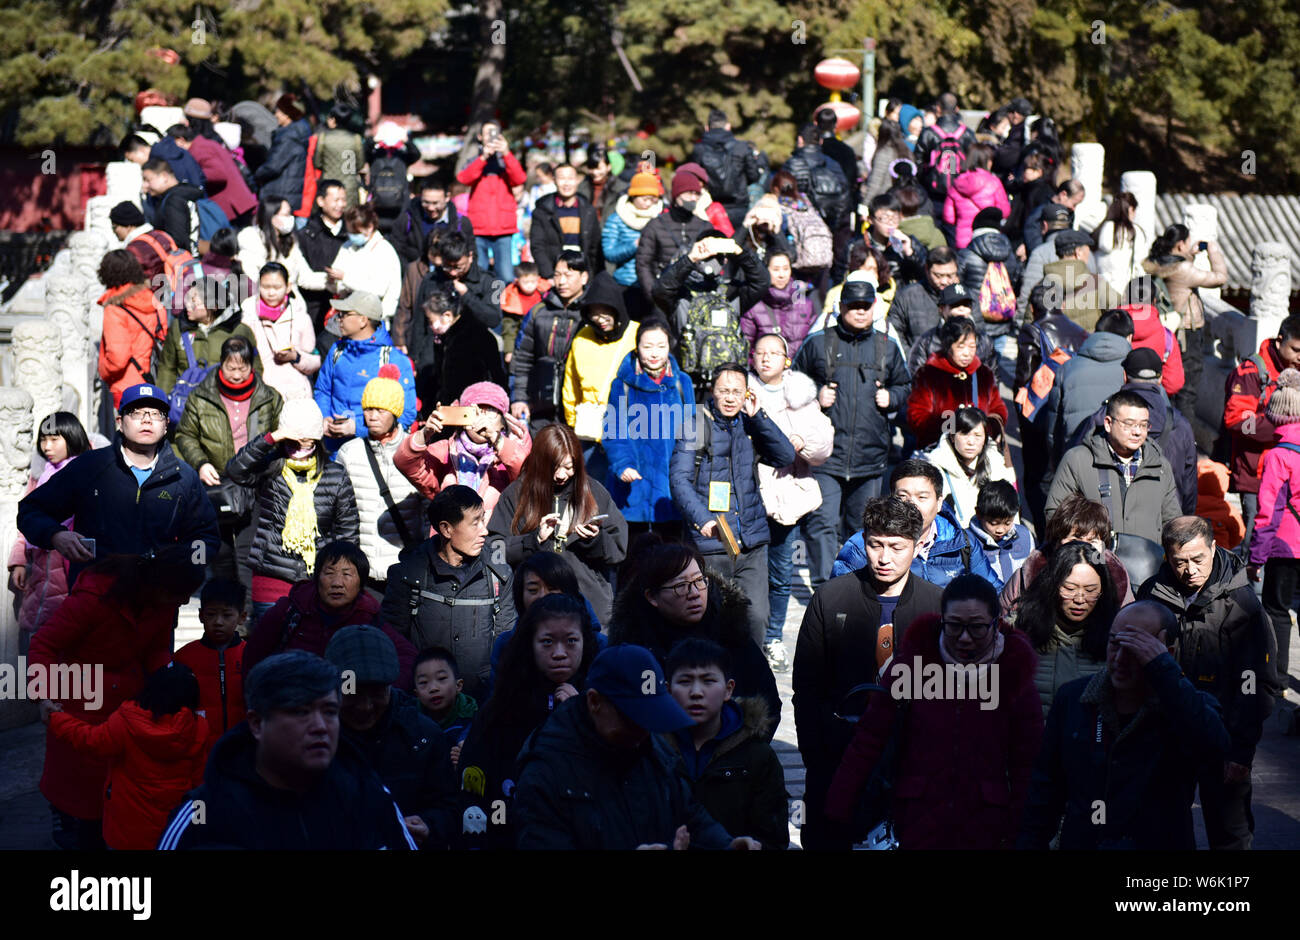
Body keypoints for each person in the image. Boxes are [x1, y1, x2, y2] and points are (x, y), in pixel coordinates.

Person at [825, 574, 1042, 848]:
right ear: (942, 620)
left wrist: (1019, 835)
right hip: (915, 819)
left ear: (996, 624)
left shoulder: (1014, 675)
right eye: (954, 626)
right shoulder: (913, 665)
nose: (964, 638)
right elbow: (870, 739)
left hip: (987, 826)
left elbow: (1028, 765)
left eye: (976, 627)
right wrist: (839, 808)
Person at [793, 496, 945, 850]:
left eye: (897, 547)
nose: (884, 557)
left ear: (917, 544)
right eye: (875, 544)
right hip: (838, 754)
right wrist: (815, 755)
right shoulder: (830, 599)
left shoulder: (937, 605)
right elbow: (807, 689)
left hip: (913, 760)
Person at [29, 548, 204, 849]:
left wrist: (173, 685)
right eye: (180, 594)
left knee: (113, 792)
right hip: (79, 697)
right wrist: (43, 696)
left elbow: (157, 650)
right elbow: (44, 643)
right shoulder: (94, 598)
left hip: (127, 699)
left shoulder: (162, 605)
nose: (185, 602)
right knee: (77, 786)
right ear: (157, 586)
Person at [1018, 602, 1231, 850]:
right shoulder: (1073, 699)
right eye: (1114, 644)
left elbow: (1216, 749)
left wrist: (1164, 671)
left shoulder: (1187, 706)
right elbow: (1045, 790)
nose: (1119, 659)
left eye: (1135, 649)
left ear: (1166, 653)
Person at [158, 650, 418, 849]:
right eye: (300, 712)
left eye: (329, 712)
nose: (320, 727)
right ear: (258, 723)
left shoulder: (368, 794)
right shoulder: (202, 813)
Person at [512, 644, 761, 850]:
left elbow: (690, 815)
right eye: (632, 718)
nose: (642, 731)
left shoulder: (653, 750)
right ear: (595, 702)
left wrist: (727, 845)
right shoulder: (545, 772)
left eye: (650, 718)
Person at [1137, 516, 1277, 850]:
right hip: (1167, 735)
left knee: (1230, 831)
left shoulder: (1242, 605)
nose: (1190, 570)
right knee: (1165, 828)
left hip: (1223, 736)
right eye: (1179, 562)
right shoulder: (1151, 594)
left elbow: (1256, 683)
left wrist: (1242, 750)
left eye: (1198, 559)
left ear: (1214, 547)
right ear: (1168, 557)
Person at [17, 384, 220, 587]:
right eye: (136, 413)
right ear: (120, 423)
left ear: (166, 424)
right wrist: (55, 535)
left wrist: (185, 569)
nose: (147, 419)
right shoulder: (90, 467)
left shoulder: (184, 478)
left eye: (156, 414)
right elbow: (31, 510)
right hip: (94, 596)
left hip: (157, 601)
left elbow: (205, 536)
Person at [668, 364, 796, 645]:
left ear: (746, 394)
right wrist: (703, 519)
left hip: (751, 542)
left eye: (736, 392)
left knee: (756, 617)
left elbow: (785, 455)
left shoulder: (750, 423)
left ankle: (753, 681)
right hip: (712, 544)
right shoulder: (697, 424)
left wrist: (759, 416)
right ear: (712, 392)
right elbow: (679, 479)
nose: (729, 398)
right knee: (711, 622)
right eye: (723, 391)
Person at [458, 594, 598, 848]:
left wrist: (580, 717)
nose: (559, 653)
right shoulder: (502, 708)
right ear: (529, 645)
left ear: (585, 643)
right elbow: (474, 789)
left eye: (571, 641)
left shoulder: (601, 705)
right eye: (547, 642)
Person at [795, 280, 909, 586]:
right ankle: (824, 587)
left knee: (864, 529)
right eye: (853, 306)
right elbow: (793, 382)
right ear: (840, 307)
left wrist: (892, 398)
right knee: (822, 525)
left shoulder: (887, 344)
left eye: (865, 306)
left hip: (870, 455)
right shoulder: (818, 342)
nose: (860, 312)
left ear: (874, 307)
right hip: (826, 456)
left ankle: (855, 587)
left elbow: (905, 385)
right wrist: (815, 395)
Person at [45, 662, 208, 850]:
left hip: (127, 831)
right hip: (172, 833)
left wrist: (56, 718)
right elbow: (199, 784)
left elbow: (90, 740)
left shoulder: (127, 722)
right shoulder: (199, 728)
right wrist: (199, 826)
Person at [323, 624, 459, 850]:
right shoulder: (314, 738)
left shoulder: (423, 736)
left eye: (376, 693)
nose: (365, 707)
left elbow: (451, 808)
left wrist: (429, 825)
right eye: (354, 694)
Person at [225, 399, 360, 617]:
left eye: (306, 442)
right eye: (293, 441)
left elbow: (348, 533)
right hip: (270, 575)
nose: (299, 449)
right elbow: (236, 470)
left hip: (317, 580)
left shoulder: (336, 475)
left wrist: (342, 578)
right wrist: (271, 438)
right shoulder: (271, 466)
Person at [379, 485, 512, 703]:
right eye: (475, 523)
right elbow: (393, 648)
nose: (485, 531)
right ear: (446, 529)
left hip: (481, 705)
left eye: (483, 520)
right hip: (421, 708)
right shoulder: (408, 575)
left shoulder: (499, 576)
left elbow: (506, 649)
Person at [748, 333, 833, 667]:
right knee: (748, 573)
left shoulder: (801, 394)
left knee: (781, 574)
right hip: (749, 494)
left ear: (786, 359)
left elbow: (824, 440)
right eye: (761, 352)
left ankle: (772, 638)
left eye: (775, 353)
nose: (767, 358)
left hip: (788, 495)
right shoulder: (741, 389)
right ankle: (746, 637)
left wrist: (804, 440)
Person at [488, 423, 628, 625]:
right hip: (533, 613)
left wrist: (595, 540)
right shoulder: (516, 495)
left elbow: (619, 548)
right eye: (554, 468)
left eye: (569, 467)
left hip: (591, 613)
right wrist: (532, 541)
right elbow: (493, 551)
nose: (561, 475)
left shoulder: (594, 492)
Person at [174, 335, 284, 583]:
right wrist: (201, 463)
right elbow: (185, 434)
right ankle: (223, 608)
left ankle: (244, 617)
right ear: (221, 364)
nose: (236, 375)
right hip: (216, 484)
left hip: (255, 485)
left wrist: (267, 468)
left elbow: (280, 438)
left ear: (251, 366)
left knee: (247, 554)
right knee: (220, 552)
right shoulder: (201, 397)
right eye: (230, 368)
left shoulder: (269, 398)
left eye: (242, 368)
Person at [665, 637, 790, 849]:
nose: (696, 692)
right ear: (668, 689)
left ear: (728, 689)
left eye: (708, 681)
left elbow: (774, 837)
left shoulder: (757, 756)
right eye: (685, 681)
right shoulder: (650, 749)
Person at [244, 538, 415, 678]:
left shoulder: (370, 619)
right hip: (294, 702)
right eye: (329, 573)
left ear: (361, 583)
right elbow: (253, 659)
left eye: (347, 574)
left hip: (348, 702)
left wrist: (380, 693)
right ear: (317, 578)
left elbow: (408, 657)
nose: (337, 583)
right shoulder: (289, 611)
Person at [1070, 347, 1198, 514]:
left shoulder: (1102, 418)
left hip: (1108, 521)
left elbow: (1075, 470)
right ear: (1160, 379)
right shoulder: (1180, 424)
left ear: (1124, 376)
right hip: (1164, 523)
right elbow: (1189, 487)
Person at [831, 460, 999, 588]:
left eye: (922, 497)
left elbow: (993, 594)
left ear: (939, 502)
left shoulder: (963, 543)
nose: (912, 505)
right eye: (903, 496)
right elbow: (839, 602)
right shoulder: (862, 546)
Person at [1046, 390, 1182, 544]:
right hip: (1093, 562)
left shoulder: (1160, 466)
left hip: (1148, 564)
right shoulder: (1078, 460)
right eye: (1129, 424)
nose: (1137, 432)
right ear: (1108, 423)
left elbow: (1172, 522)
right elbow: (1055, 515)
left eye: (1143, 425)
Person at [7, 414, 95, 649]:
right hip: (39, 569)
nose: (47, 447)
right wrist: (18, 561)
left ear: (72, 437)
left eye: (55, 439)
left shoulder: (90, 472)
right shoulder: (39, 476)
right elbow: (25, 520)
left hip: (70, 564)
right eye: (43, 439)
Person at [601, 318, 696, 537]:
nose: (654, 353)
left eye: (661, 346)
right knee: (634, 558)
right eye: (647, 346)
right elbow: (613, 430)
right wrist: (623, 464)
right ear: (637, 347)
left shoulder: (683, 382)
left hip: (672, 488)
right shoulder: (622, 384)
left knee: (672, 557)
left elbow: (693, 432)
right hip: (634, 486)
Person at [336, 373, 427, 587]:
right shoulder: (349, 454)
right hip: (362, 570)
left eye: (380, 410)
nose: (373, 416)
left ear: (395, 413)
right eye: (368, 409)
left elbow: (427, 510)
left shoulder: (415, 452)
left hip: (405, 567)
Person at [396, 380, 530, 519]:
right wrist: (424, 434)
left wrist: (495, 438)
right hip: (449, 537)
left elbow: (526, 477)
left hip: (495, 539)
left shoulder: (513, 450)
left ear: (503, 422)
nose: (482, 418)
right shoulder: (447, 450)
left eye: (490, 412)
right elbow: (404, 462)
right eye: (475, 411)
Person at [1016, 541, 1118, 715]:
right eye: (1069, 589)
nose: (1079, 599)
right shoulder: (1020, 632)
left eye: (1090, 590)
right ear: (1052, 585)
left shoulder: (1115, 639)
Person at [1226, 315, 1300, 553]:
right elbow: (1238, 420)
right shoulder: (1251, 372)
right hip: (1257, 476)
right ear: (1280, 341)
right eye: (1296, 350)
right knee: (1256, 545)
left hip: (1293, 476)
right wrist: (1284, 427)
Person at [314, 291, 417, 453]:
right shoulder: (337, 351)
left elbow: (406, 413)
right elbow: (322, 390)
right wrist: (324, 417)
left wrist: (358, 427)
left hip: (372, 452)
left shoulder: (394, 359)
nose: (338, 318)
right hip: (333, 450)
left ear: (363, 320)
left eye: (345, 314)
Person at [999, 492, 1134, 615]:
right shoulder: (1030, 573)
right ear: (1057, 541)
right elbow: (1003, 621)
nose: (1083, 547)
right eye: (1075, 540)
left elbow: (1128, 623)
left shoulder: (1117, 576)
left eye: (1091, 541)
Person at [1143, 223, 1227, 417]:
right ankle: (1183, 437)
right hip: (1186, 332)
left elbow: (1180, 270)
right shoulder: (1182, 269)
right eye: (1187, 244)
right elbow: (1220, 277)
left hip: (1164, 328)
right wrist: (1212, 250)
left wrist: (1190, 255)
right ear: (1180, 245)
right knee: (1187, 388)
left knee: (1167, 381)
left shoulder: (1156, 262)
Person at [1251, 367, 1300, 687]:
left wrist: (1256, 558)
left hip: (1285, 547)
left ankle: (1278, 679)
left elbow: (1268, 513)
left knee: (1277, 610)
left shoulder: (1279, 456)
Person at [562, 270, 637, 478]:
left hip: (628, 430)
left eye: (605, 311)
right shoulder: (581, 339)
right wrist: (573, 423)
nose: (599, 319)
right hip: (590, 432)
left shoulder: (636, 335)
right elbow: (571, 387)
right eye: (593, 312)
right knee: (593, 493)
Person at [509, 251, 589, 431]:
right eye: (557, 275)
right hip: (540, 403)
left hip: (578, 407)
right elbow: (522, 358)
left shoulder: (591, 314)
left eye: (568, 275)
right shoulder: (538, 312)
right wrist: (519, 397)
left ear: (584, 277)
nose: (561, 282)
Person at [1043, 306, 1134, 463]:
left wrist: (1058, 463)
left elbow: (1053, 428)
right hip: (1122, 460)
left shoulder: (1067, 368)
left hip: (1076, 459)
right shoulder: (1132, 371)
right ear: (1129, 337)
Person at [906, 316, 1006, 451]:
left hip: (978, 452)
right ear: (948, 346)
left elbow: (997, 408)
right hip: (940, 451)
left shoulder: (983, 374)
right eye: (961, 346)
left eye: (972, 347)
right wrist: (954, 429)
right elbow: (916, 416)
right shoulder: (928, 375)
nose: (967, 353)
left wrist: (988, 429)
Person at [173, 579, 247, 757]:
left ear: (242, 617)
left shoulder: (250, 655)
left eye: (227, 615)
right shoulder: (183, 657)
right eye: (211, 614)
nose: (218, 622)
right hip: (197, 752)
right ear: (200, 615)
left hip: (242, 748)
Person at [155, 275, 261, 396]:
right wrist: (161, 403)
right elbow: (167, 368)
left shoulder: (240, 331)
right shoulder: (178, 328)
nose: (188, 305)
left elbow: (254, 368)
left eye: (194, 301)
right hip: (187, 404)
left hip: (227, 401)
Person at [409, 285, 507, 412]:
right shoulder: (442, 338)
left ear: (447, 316)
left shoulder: (477, 337)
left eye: (430, 320)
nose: (430, 325)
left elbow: (496, 376)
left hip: (474, 410)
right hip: (449, 410)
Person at [919, 405, 1016, 530]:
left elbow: (1011, 511)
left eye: (977, 435)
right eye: (965, 434)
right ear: (953, 437)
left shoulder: (996, 464)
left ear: (985, 438)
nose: (971, 442)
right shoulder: (934, 468)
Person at [96, 248, 168, 409]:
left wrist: (103, 370)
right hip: (154, 380)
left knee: (127, 432)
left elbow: (118, 357)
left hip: (126, 386)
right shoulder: (153, 299)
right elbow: (163, 333)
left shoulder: (115, 309)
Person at [457, 121, 527, 281]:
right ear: (480, 137)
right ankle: (482, 305)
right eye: (487, 133)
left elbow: (519, 178)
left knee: (505, 275)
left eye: (494, 132)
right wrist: (483, 158)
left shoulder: (507, 160)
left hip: (503, 228)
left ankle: (500, 305)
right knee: (478, 274)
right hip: (478, 228)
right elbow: (464, 178)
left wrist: (507, 153)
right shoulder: (474, 160)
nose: (491, 136)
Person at [241, 261, 320, 401]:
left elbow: (314, 360)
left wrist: (295, 357)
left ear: (288, 287)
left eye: (277, 287)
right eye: (265, 287)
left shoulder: (300, 316)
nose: (271, 293)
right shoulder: (248, 316)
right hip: (260, 393)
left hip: (295, 395)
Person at [634, 167, 713, 303]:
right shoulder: (656, 225)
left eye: (696, 194)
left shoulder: (705, 226)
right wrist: (653, 294)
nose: (693, 198)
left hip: (697, 297)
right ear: (677, 195)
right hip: (663, 294)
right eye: (688, 193)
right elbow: (643, 264)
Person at [325, 205, 404, 325]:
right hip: (347, 315)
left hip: (373, 319)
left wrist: (345, 278)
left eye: (356, 232)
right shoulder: (347, 246)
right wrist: (332, 281)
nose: (352, 236)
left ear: (369, 227)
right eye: (350, 232)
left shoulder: (384, 251)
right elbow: (337, 286)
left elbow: (378, 290)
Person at [168, 122, 257, 226]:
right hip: (237, 204)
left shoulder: (199, 149)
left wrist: (190, 175)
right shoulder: (206, 144)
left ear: (180, 140)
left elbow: (218, 174)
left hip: (232, 206)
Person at [690, 108, 763, 231]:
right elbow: (754, 176)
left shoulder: (699, 150)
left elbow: (693, 178)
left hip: (709, 206)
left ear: (707, 128)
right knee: (739, 246)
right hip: (738, 205)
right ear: (728, 126)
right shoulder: (742, 147)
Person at [740, 250, 821, 358]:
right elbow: (746, 349)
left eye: (786, 269)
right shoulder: (754, 306)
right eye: (776, 269)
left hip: (798, 371)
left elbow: (814, 343)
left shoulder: (805, 304)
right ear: (765, 270)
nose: (781, 275)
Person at [295, 179, 349, 339]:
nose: (341, 205)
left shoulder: (351, 233)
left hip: (343, 305)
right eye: (336, 200)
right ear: (320, 201)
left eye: (343, 200)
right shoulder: (306, 235)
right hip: (313, 306)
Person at [904, 282, 995, 377]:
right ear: (941, 309)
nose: (961, 309)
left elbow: (992, 379)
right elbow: (916, 377)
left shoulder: (984, 340)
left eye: (966, 304)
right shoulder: (927, 341)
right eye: (955, 305)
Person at [1040, 229, 1122, 333]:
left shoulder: (1041, 287)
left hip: (1055, 348)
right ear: (1078, 252)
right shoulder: (1096, 283)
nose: (1089, 254)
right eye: (1087, 249)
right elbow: (1121, 312)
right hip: (1089, 346)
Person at [530, 164, 605, 278]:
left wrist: (592, 275)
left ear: (577, 180)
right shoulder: (543, 210)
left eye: (570, 178)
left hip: (582, 274)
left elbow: (594, 247)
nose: (566, 183)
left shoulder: (588, 210)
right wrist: (550, 275)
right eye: (562, 178)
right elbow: (538, 246)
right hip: (554, 274)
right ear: (554, 180)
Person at [602, 171, 665, 307]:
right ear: (633, 196)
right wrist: (634, 245)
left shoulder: (661, 218)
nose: (648, 203)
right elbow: (609, 253)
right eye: (644, 198)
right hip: (625, 283)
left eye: (652, 199)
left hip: (654, 282)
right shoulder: (617, 219)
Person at [886, 245, 960, 353]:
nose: (944, 281)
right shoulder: (907, 296)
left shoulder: (965, 297)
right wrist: (912, 359)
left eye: (950, 276)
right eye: (938, 275)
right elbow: (894, 332)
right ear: (926, 269)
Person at [390, 176, 475, 267]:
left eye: (435, 203)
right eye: (426, 202)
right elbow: (396, 250)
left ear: (447, 197)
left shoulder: (461, 223)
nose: (431, 208)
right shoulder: (406, 219)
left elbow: (471, 253)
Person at [942, 144, 1010, 250]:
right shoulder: (994, 182)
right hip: (988, 239)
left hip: (963, 240)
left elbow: (949, 218)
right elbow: (1004, 211)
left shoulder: (957, 183)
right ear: (987, 161)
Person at [253, 94, 312, 214]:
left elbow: (273, 166)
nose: (276, 115)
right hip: (289, 192)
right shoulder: (300, 132)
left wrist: (256, 175)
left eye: (279, 111)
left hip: (278, 193)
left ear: (288, 113)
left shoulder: (289, 136)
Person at [970, 480, 1035, 588]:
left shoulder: (1024, 536)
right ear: (979, 514)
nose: (1000, 530)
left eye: (1007, 523)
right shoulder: (968, 542)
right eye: (993, 523)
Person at [913, 92, 975, 205]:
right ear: (957, 109)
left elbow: (918, 162)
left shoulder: (928, 133)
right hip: (961, 192)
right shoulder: (967, 133)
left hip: (933, 192)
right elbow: (975, 161)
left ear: (938, 108)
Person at [236, 198, 312, 290]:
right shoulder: (251, 244)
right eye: (286, 215)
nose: (291, 218)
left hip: (292, 302)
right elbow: (255, 284)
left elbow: (306, 277)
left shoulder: (290, 241)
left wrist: (330, 280)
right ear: (270, 217)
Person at [413, 647, 478, 746]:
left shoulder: (473, 717)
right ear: (416, 694)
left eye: (441, 678)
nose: (433, 688)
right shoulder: (410, 719)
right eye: (424, 682)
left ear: (458, 685)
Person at [861, 193, 927, 289]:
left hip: (900, 297)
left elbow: (925, 275)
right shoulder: (858, 245)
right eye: (884, 218)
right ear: (870, 219)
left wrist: (909, 253)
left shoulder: (907, 241)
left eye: (895, 218)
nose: (891, 223)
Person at [1120, 299, 1184, 398]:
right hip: (1154, 397)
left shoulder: (1110, 327)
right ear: (1154, 301)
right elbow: (1173, 383)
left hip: (1118, 399)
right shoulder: (1166, 336)